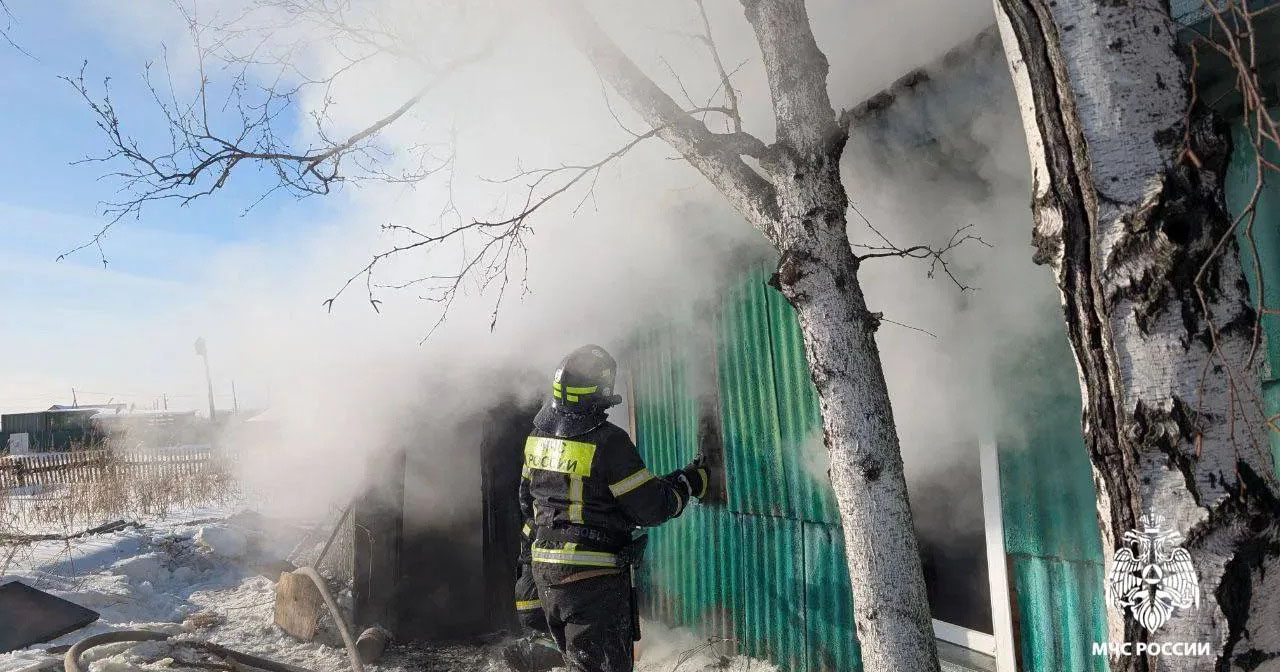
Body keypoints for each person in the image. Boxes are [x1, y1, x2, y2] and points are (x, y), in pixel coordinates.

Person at [519, 344, 707, 672]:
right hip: (592, 579)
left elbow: (527, 502)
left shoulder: (538, 437)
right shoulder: (609, 442)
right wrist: (688, 483)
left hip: (547, 575)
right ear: (600, 392)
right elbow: (652, 509)